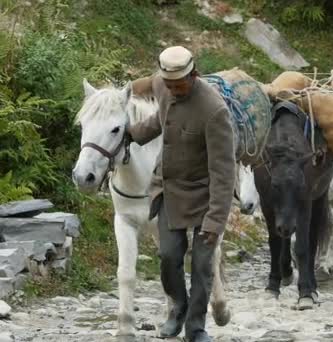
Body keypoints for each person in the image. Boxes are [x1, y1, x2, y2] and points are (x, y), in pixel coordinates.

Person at [126, 46, 236, 342]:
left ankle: (196, 327)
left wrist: (215, 221)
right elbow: (161, 120)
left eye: (179, 85)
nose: (173, 90)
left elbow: (224, 174)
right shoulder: (163, 86)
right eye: (169, 84)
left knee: (202, 265)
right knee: (167, 255)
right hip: (169, 189)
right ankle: (178, 307)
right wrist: (130, 134)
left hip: (205, 196)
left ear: (194, 74)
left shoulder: (214, 111)